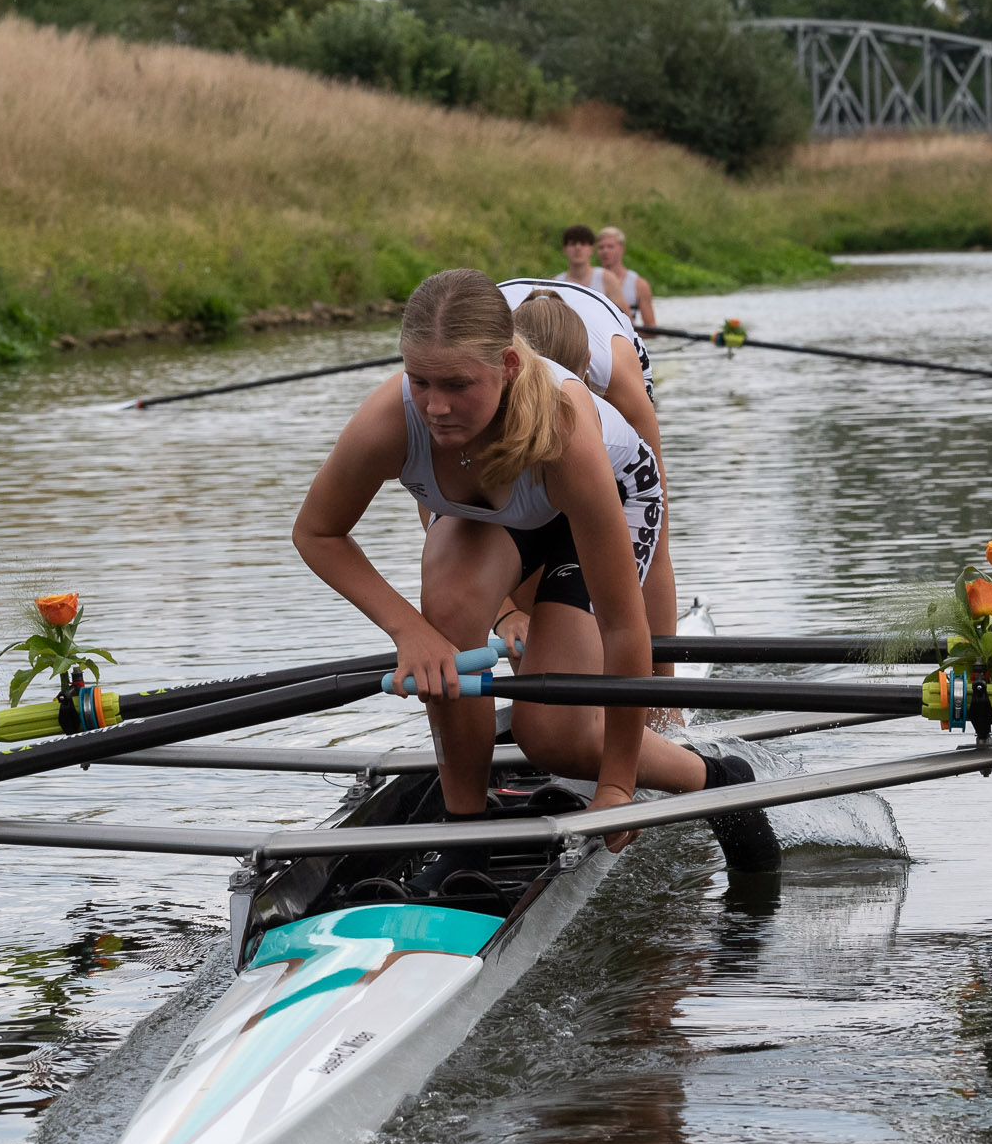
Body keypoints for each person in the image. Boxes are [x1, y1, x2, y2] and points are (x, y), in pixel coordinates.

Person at [292, 269, 773, 889]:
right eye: (421, 381)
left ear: (510, 367)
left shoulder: (563, 427)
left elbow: (627, 626)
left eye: (459, 385)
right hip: (501, 511)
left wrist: (617, 785)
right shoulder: (390, 418)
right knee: (447, 611)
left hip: (606, 501)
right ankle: (465, 838)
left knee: (550, 733)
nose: (436, 406)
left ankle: (720, 779)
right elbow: (317, 533)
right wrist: (412, 633)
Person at [502, 290, 680, 719]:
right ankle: (541, 691)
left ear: (584, 369)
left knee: (599, 534)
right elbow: (452, 518)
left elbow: (655, 552)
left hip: (611, 355)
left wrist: (663, 694)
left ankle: (652, 699)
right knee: (525, 529)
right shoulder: (475, 382)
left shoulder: (617, 383)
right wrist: (507, 616)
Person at [594, 226, 657, 331]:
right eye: (601, 247)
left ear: (621, 249)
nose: (605, 251)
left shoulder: (640, 285)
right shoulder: (588, 279)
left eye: (610, 247)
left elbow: (651, 330)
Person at [557, 223, 600, 291]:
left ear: (591, 249)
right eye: (573, 244)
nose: (578, 248)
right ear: (564, 249)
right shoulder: (556, 283)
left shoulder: (606, 279)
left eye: (583, 244)